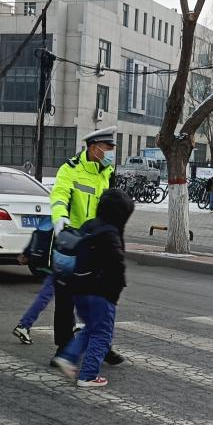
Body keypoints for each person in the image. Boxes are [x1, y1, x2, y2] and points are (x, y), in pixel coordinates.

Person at [49, 126, 125, 366]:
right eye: (108, 148)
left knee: (103, 298)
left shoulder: (107, 171)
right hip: (73, 243)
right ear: (94, 148)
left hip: (99, 245)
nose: (112, 152)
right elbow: (59, 195)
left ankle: (102, 346)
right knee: (66, 299)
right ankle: (63, 348)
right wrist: (60, 217)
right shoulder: (70, 170)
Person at [52, 189, 135, 388]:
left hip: (78, 289)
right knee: (102, 333)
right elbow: (117, 266)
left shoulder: (89, 226)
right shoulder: (110, 234)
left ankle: (68, 356)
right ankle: (88, 375)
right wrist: (116, 291)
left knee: (91, 328)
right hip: (100, 293)